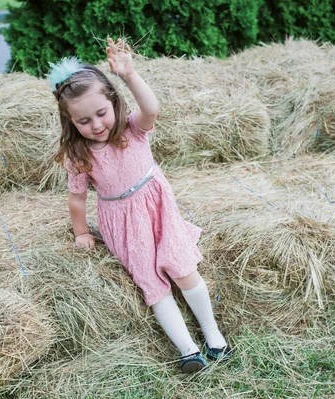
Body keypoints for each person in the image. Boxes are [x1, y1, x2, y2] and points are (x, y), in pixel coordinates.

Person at [48, 37, 231, 373]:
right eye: (83, 121)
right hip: (122, 221)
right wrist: (81, 232)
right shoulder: (79, 155)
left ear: (114, 103)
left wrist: (129, 75)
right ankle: (188, 350)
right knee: (152, 284)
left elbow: (152, 109)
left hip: (157, 207)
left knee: (183, 269)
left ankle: (213, 334)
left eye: (101, 113)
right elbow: (77, 198)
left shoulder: (133, 128)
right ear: (70, 123)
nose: (96, 125)